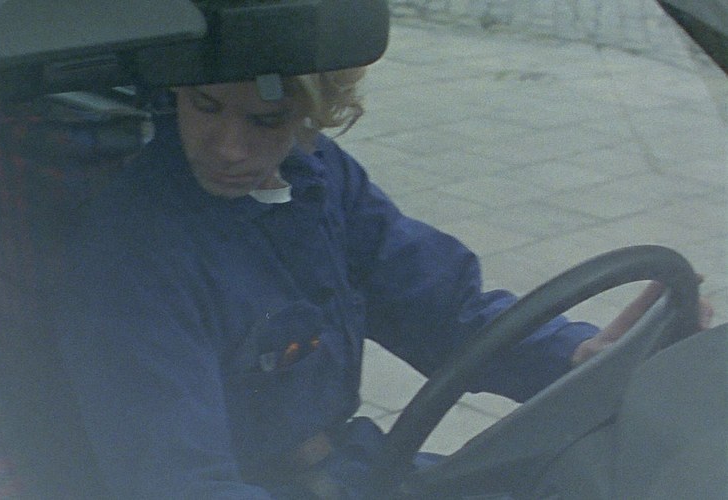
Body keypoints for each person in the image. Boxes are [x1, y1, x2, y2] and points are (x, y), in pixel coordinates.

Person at [50, 68, 712, 499]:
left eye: (265, 121)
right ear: (175, 91)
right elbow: (175, 482)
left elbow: (446, 310)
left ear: (313, 115)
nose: (228, 147)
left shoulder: (319, 178)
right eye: (206, 105)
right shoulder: (130, 253)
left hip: (357, 469)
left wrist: (571, 358)